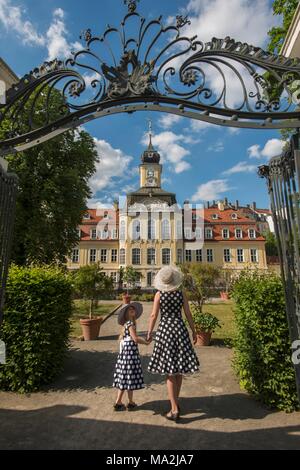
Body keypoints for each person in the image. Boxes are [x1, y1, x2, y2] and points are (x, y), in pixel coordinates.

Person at [147, 265, 200, 422]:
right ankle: (175, 402)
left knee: (170, 371)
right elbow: (188, 314)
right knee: (179, 369)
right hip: (179, 329)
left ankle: (174, 409)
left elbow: (153, 315)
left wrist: (149, 332)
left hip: (165, 331)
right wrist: (194, 330)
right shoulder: (181, 293)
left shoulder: (159, 295)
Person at [113, 302, 151, 411]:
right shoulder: (130, 324)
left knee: (127, 378)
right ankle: (119, 402)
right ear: (126, 313)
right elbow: (135, 338)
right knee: (128, 377)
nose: (132, 309)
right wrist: (146, 342)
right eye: (130, 309)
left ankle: (129, 402)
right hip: (129, 355)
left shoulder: (128, 323)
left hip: (127, 354)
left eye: (133, 308)